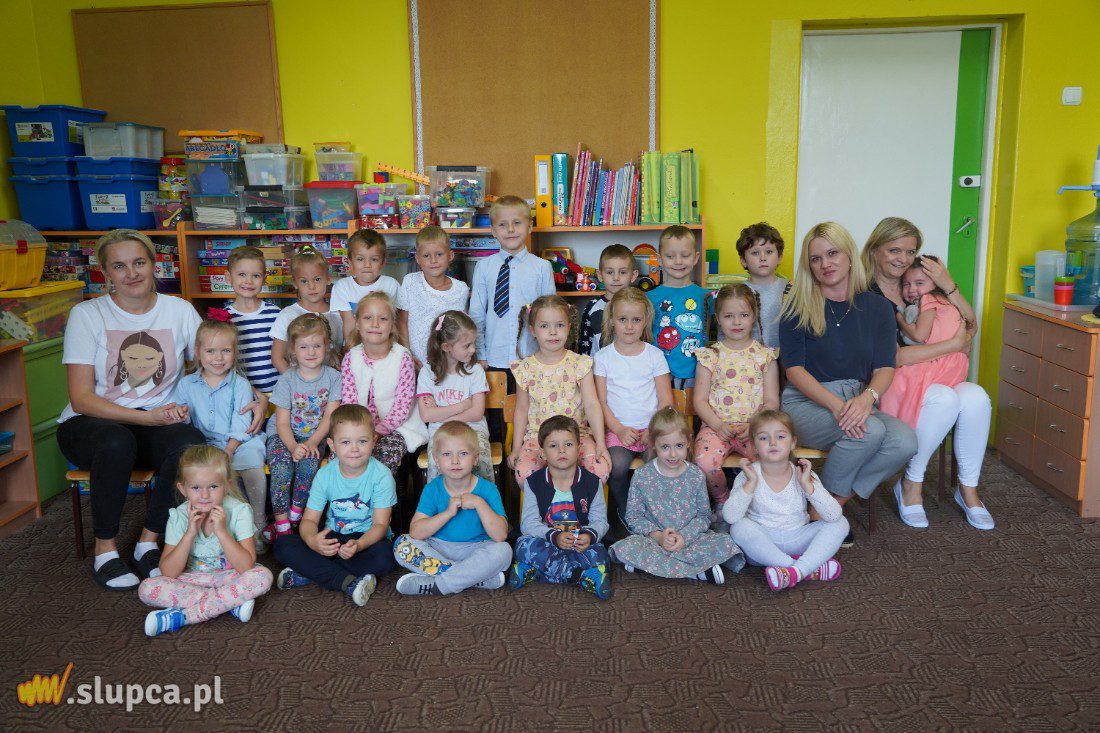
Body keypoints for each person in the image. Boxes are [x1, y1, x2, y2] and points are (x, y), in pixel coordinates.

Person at [58, 229, 264, 591]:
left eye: (139, 262)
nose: (131, 273)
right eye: (119, 266)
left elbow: (214, 354)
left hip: (157, 423)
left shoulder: (178, 310)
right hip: (92, 424)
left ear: (154, 265)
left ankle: (148, 543)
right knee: (116, 441)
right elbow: (81, 398)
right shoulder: (87, 314)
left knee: (189, 441)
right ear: (105, 272)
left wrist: (258, 396)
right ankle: (105, 549)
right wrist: (146, 418)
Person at [778, 222, 916, 544]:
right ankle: (823, 513)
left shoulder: (878, 307)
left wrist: (867, 398)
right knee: (869, 432)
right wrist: (837, 406)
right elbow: (794, 370)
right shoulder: (798, 306)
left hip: (857, 397)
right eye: (816, 259)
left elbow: (885, 366)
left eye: (832, 254)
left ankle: (826, 507)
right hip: (806, 400)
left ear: (850, 256)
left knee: (905, 442)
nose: (825, 264)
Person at [862, 217, 993, 530]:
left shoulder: (917, 284)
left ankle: (969, 489)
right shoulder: (867, 295)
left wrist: (949, 285)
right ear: (875, 249)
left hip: (931, 375)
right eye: (894, 250)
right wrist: (953, 346)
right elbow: (894, 357)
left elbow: (971, 326)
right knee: (945, 399)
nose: (903, 259)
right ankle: (911, 483)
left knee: (976, 397)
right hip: (890, 382)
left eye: (910, 252)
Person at [138, 445, 272, 637]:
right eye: (196, 488)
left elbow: (246, 566)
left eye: (214, 486)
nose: (205, 495)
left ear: (226, 486)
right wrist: (189, 534)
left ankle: (182, 617)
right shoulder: (178, 516)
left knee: (262, 576)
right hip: (191, 579)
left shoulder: (239, 511)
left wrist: (222, 532)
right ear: (183, 489)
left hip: (229, 577)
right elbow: (168, 572)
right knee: (147, 588)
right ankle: (229, 604)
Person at [273, 405, 399, 605]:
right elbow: (309, 520)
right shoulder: (325, 474)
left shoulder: (382, 476)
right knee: (283, 545)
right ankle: (346, 580)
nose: (354, 449)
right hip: (332, 539)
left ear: (374, 441)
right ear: (332, 445)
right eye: (346, 442)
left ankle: (310, 572)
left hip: (366, 540)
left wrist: (359, 545)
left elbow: (381, 526)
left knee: (387, 555)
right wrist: (312, 541)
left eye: (362, 441)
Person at [609, 407, 740, 583]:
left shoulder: (696, 475)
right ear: (653, 444)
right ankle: (697, 571)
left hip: (690, 540)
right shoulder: (642, 476)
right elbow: (634, 517)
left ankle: (652, 567)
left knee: (725, 542)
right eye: (665, 447)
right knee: (627, 546)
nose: (672, 454)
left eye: (679, 446)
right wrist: (659, 536)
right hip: (654, 541)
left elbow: (703, 516)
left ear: (688, 442)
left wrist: (684, 537)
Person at [723, 410, 848, 591]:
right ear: (754, 446)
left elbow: (833, 515)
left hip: (798, 539)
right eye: (764, 438)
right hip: (763, 547)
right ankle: (804, 568)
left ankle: (793, 572)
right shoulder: (748, 475)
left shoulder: (803, 473)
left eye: (780, 437)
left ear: (793, 442)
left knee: (840, 522)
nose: (773, 442)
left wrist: (808, 486)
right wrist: (750, 484)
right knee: (738, 527)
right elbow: (730, 517)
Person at [171, 319, 269, 550]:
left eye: (226, 351)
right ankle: (215, 525)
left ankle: (257, 523)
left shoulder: (240, 384)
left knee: (253, 464)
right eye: (210, 351)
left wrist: (230, 449)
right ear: (197, 352)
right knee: (207, 473)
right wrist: (179, 414)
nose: (218, 357)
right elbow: (184, 420)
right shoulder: (187, 384)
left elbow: (243, 421)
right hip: (205, 443)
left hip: (240, 440)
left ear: (235, 353)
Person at [392, 421, 511, 596]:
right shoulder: (433, 488)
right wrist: (447, 513)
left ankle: (438, 585)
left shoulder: (488, 490)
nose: (455, 461)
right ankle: (474, 578)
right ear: (437, 460)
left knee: (504, 551)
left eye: (463, 453)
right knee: (402, 545)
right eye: (447, 454)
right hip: (439, 549)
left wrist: (479, 504)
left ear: (475, 458)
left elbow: (500, 535)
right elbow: (416, 532)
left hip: (476, 550)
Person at [509, 295, 612, 485]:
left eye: (559, 325)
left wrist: (600, 444)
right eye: (544, 326)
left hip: (577, 437)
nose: (553, 332)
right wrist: (516, 448)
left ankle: (579, 504)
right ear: (533, 330)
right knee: (524, 474)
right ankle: (546, 505)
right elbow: (522, 410)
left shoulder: (579, 364)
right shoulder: (525, 368)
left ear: (569, 327)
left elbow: (592, 404)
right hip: (538, 439)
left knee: (600, 471)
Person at [693, 284, 779, 504]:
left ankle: (758, 504)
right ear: (718, 319)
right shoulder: (709, 355)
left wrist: (754, 425)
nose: (737, 322)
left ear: (754, 316)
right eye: (729, 316)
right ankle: (724, 502)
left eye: (744, 315)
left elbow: (771, 401)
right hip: (716, 428)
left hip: (754, 427)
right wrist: (717, 425)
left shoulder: (765, 356)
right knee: (704, 462)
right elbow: (700, 401)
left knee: (771, 458)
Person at [593, 286, 672, 523]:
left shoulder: (654, 355)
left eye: (636, 320)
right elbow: (601, 402)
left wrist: (653, 429)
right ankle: (628, 512)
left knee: (659, 462)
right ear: (612, 320)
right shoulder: (603, 357)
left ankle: (656, 512)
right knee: (616, 466)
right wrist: (619, 429)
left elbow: (666, 400)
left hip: (651, 429)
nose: (629, 326)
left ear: (645, 321)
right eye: (623, 319)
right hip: (618, 431)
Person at [510, 416, 613, 600]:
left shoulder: (592, 482)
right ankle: (580, 576)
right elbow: (528, 524)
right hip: (548, 542)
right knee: (523, 546)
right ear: (543, 453)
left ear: (579, 448)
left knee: (600, 554)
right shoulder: (533, 483)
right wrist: (553, 536)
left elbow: (600, 521)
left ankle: (538, 571)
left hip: (578, 545)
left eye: (568, 444)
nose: (562, 450)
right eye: (553, 446)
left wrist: (589, 536)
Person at [262, 313, 342, 544]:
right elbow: (282, 422)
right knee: (281, 471)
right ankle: (282, 525)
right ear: (293, 350)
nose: (311, 352)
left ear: (327, 346)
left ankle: (295, 518)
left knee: (309, 468)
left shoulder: (334, 378)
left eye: (317, 345)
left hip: (315, 436)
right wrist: (292, 446)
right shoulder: (287, 379)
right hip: (283, 436)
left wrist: (312, 443)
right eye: (304, 346)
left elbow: (330, 416)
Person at [469, 195, 555, 401]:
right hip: (494, 358)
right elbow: (477, 314)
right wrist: (480, 354)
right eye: (502, 224)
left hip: (533, 357)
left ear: (529, 226)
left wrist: (549, 355)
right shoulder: (483, 267)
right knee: (498, 415)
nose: (510, 229)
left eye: (517, 223)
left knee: (532, 411)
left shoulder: (542, 267)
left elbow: (551, 315)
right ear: (493, 230)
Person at [341, 291, 428, 472]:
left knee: (381, 459)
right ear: (357, 324)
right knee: (345, 456)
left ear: (392, 326)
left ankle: (381, 491)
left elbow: (402, 405)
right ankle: (348, 491)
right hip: (358, 428)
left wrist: (379, 431)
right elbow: (349, 401)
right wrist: (361, 432)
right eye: (368, 318)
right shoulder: (351, 358)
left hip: (398, 427)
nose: (375, 324)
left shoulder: (402, 357)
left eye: (383, 318)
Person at [417, 310, 494, 483]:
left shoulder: (475, 371)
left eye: (473, 344)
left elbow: (476, 413)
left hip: (473, 430)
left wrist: (440, 413)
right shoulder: (427, 373)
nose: (473, 350)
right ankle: (442, 500)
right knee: (438, 462)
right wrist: (463, 405)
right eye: (467, 345)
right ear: (446, 347)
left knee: (479, 460)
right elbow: (426, 415)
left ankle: (483, 499)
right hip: (441, 433)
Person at [396, 225, 471, 371]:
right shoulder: (410, 282)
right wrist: (407, 354)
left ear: (450, 256)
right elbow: (401, 321)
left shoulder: (461, 289)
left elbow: (461, 328)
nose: (433, 260)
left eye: (439, 254)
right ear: (417, 258)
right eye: (426, 256)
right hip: (415, 362)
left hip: (448, 364)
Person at [647, 225, 710, 389]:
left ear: (696, 258)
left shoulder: (706, 296)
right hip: (660, 375)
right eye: (670, 256)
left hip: (699, 375)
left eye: (685, 255)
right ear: (659, 259)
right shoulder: (648, 298)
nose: (678, 262)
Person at [270, 246, 343, 373]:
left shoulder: (337, 314)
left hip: (333, 381)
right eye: (304, 281)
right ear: (295, 283)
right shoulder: (287, 314)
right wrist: (295, 382)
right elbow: (277, 358)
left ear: (328, 279)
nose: (312, 286)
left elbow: (342, 352)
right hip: (299, 383)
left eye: (317, 279)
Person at [224, 246, 280, 392]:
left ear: (264, 279)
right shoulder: (223, 319)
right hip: (240, 394)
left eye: (256, 276)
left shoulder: (276, 314)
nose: (248, 281)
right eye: (242, 274)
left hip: (277, 392)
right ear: (228, 277)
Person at [330, 229, 400, 344]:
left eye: (374, 259)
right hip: (355, 346)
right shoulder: (342, 287)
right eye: (360, 259)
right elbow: (348, 323)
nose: (367, 265)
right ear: (350, 261)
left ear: (383, 262)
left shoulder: (391, 285)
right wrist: (351, 350)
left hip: (384, 346)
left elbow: (395, 322)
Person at [578, 244, 640, 357]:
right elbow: (585, 343)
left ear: (633, 275)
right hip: (598, 366)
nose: (616, 278)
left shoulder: (639, 305)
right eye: (610, 272)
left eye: (622, 272)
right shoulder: (592, 307)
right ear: (600, 275)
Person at [737, 222, 790, 349]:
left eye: (769, 252)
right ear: (743, 260)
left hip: (785, 357)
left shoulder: (792, 289)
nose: (762, 258)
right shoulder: (737, 293)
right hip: (749, 358)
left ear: (779, 257)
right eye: (755, 253)